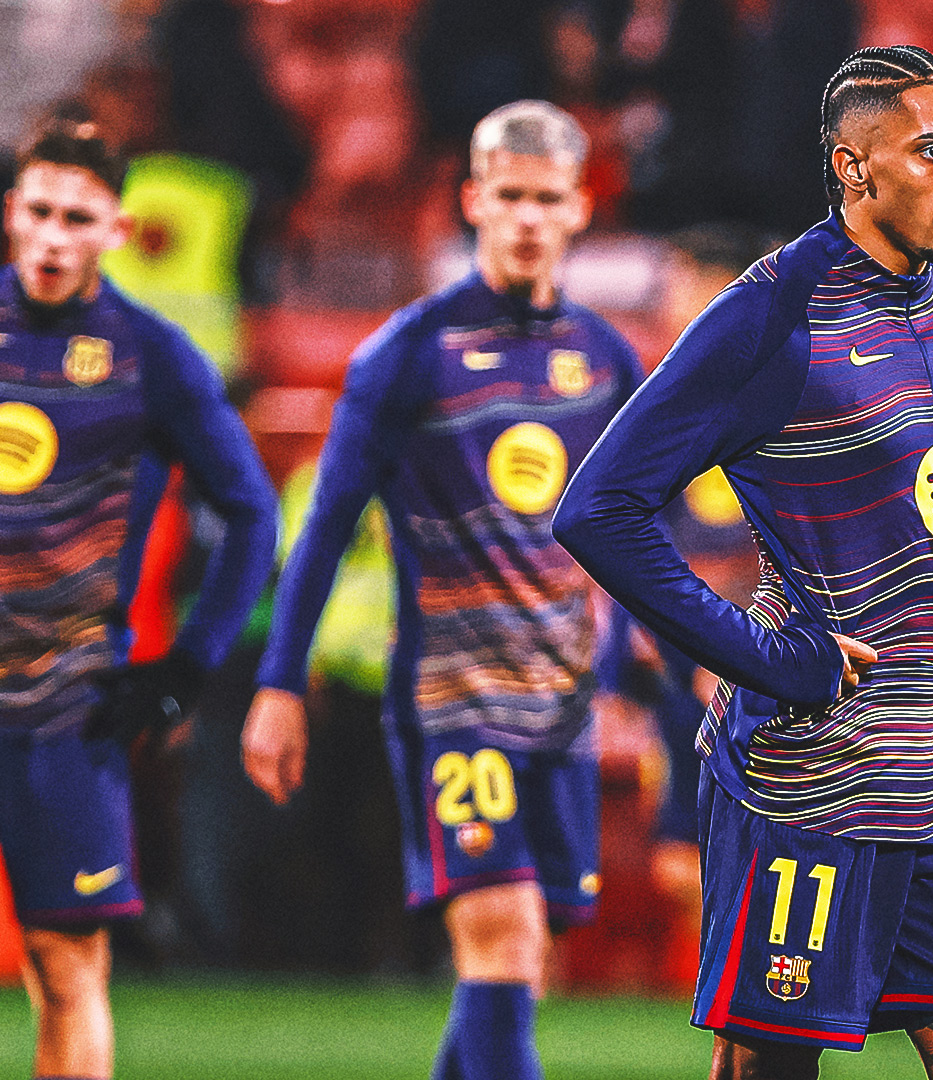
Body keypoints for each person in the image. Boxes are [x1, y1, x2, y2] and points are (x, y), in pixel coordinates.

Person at [553, 45, 933, 1080]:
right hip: (807, 785)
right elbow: (599, 510)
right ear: (853, 168)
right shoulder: (771, 314)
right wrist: (767, 658)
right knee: (770, 1069)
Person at [240, 100, 645, 1080]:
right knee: (503, 936)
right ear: (472, 201)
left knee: (522, 959)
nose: (527, 219)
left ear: (579, 208)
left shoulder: (606, 360)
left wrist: (625, 673)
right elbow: (325, 528)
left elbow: (632, 536)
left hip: (561, 703)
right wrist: (279, 682)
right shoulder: (407, 353)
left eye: (546, 198)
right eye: (509, 197)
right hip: (450, 699)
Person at [0, 115, 278, 1080]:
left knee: (66, 962)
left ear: (116, 230)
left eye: (77, 218)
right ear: (11, 211)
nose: (53, 237)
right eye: (39, 212)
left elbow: (251, 515)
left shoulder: (151, 355)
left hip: (66, 705)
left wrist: (187, 667)